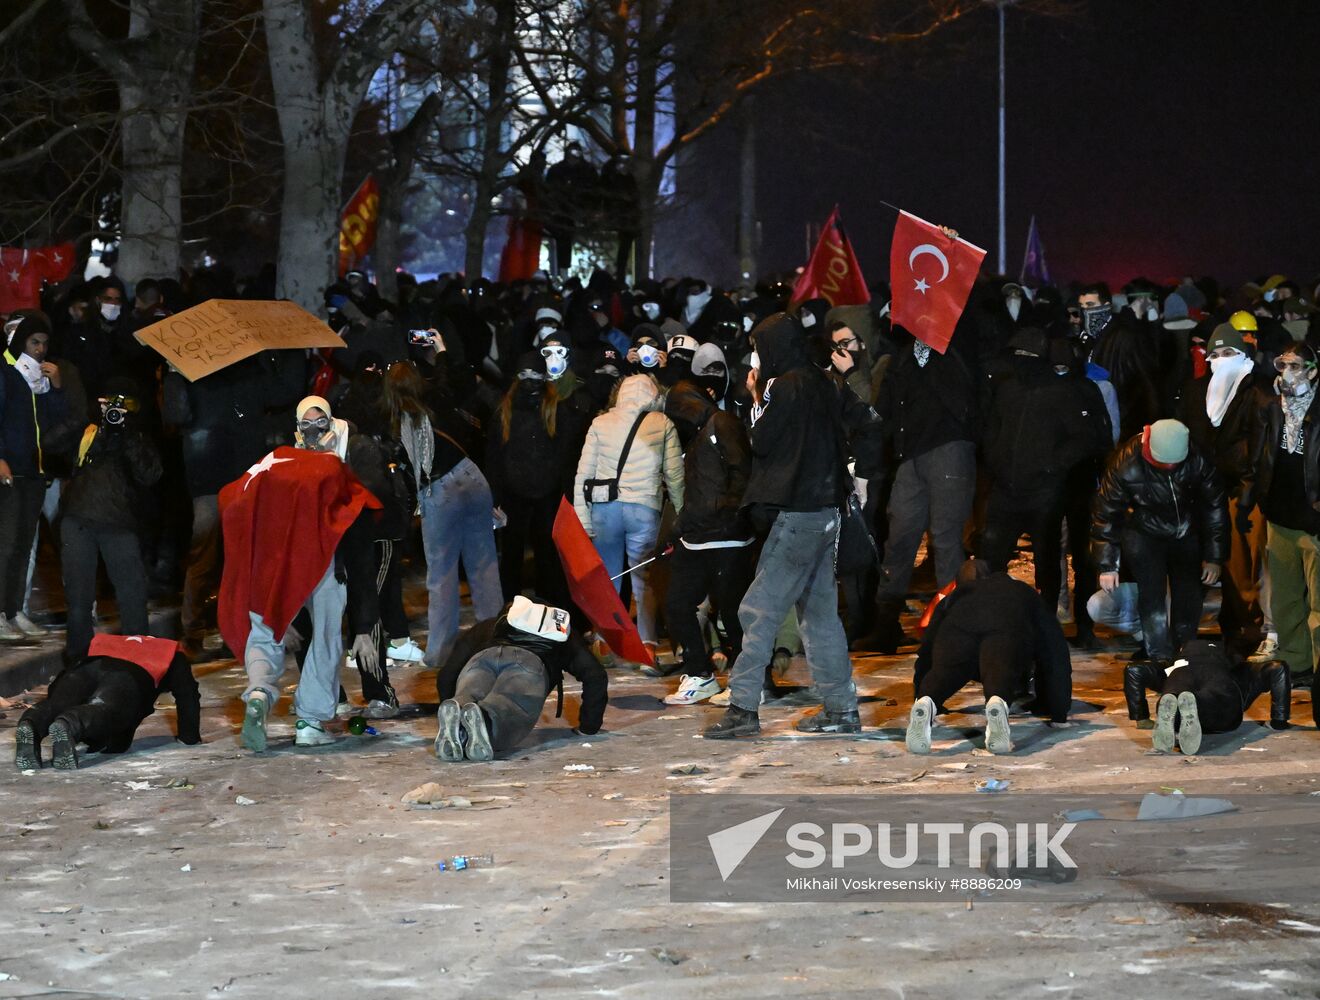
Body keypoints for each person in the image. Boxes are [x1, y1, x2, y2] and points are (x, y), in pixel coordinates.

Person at [705, 313, 882, 738]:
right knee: (819, 617)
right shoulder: (825, 382)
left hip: (797, 516)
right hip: (826, 514)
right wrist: (857, 477)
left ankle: (743, 709)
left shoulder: (781, 387)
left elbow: (761, 441)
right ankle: (841, 710)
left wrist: (755, 396)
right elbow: (869, 421)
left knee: (758, 611)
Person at [219, 398, 382, 751]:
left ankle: (260, 691)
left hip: (276, 563)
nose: (314, 432)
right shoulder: (331, 467)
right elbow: (358, 540)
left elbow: (236, 500)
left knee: (264, 634)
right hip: (322, 564)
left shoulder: (272, 464)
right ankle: (310, 721)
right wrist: (364, 626)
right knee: (325, 639)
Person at [853, 318, 980, 654]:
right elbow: (886, 411)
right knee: (900, 538)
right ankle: (886, 625)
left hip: (948, 449)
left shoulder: (957, 352)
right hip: (911, 455)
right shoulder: (903, 359)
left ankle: (954, 628)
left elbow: (967, 396)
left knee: (946, 540)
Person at [978, 327, 1111, 605]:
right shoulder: (1008, 390)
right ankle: (992, 610)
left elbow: (1085, 438)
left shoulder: (1062, 392)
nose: (1018, 360)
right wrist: (997, 461)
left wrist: (1050, 465)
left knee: (1046, 560)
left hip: (1044, 492)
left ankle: (1046, 617)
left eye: (1024, 355)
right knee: (992, 556)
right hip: (1006, 488)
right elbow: (991, 431)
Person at [1092, 418, 1228, 664]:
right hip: (1143, 532)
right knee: (1152, 594)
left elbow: (1215, 507)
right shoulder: (1125, 463)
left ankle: (1184, 654)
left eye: (1175, 464)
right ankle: (1158, 657)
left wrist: (1214, 556)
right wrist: (1107, 564)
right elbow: (1106, 514)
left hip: (1187, 530)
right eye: (1163, 463)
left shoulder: (1198, 458)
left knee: (1188, 594)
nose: (1169, 468)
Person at [905, 559, 1072, 755]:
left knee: (945, 672)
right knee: (999, 673)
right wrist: (1059, 712)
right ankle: (997, 702)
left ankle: (927, 702)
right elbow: (1054, 651)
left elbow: (927, 649)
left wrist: (920, 691)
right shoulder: (1021, 591)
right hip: (1004, 630)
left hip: (957, 630)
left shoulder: (954, 596)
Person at [574, 373, 685, 656]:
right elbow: (674, 475)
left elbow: (583, 475)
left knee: (608, 578)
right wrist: (683, 513)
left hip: (603, 508)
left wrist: (583, 520)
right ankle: (647, 646)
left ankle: (604, 641)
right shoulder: (663, 423)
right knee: (645, 579)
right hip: (643, 508)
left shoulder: (600, 423)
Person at [660, 381, 753, 703]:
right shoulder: (697, 436)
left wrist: (731, 514)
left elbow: (741, 471)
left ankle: (748, 680)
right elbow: (697, 493)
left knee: (733, 612)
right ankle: (700, 674)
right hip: (699, 537)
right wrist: (678, 530)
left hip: (727, 538)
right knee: (677, 604)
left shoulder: (722, 423)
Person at [59, 377, 163, 663]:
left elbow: (150, 474)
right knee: (79, 599)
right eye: (110, 403)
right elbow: (51, 443)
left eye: (122, 405)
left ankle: (137, 659)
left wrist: (126, 433)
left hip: (118, 522)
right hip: (79, 517)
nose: (116, 411)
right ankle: (79, 660)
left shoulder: (136, 434)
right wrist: (91, 417)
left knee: (131, 593)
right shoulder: (87, 430)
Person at [1238, 342, 1320, 700]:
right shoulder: (1271, 407)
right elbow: (1258, 457)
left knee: (1318, 605)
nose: (1288, 373)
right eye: (1283, 364)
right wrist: (1247, 502)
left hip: (1313, 521)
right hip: (1280, 518)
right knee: (1286, 600)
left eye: (1296, 365)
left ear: (1313, 371)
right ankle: (1297, 661)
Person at [1179, 322, 1267, 650]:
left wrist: (1246, 486)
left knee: (1244, 568)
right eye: (1214, 354)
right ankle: (1203, 632)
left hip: (1240, 492)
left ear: (1243, 356)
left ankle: (1247, 631)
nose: (1220, 360)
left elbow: (1256, 445)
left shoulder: (1255, 392)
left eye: (1228, 353)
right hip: (1204, 492)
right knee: (1209, 564)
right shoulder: (1197, 390)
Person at [434, 597, 607, 761]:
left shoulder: (488, 626)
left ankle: (459, 709)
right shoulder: (558, 631)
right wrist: (588, 727)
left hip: (481, 659)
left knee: (470, 691)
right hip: (527, 664)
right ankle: (485, 721)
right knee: (507, 707)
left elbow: (447, 674)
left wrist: (448, 701)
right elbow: (595, 675)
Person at [14, 635, 200, 770]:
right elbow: (188, 696)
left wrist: (55, 702)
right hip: (128, 676)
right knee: (104, 708)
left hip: (84, 667)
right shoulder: (170, 652)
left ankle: (32, 723)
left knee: (58, 704)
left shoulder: (106, 640)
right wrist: (189, 737)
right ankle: (70, 724)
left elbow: (61, 681)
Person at [0, 315, 69, 641]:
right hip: (11, 470)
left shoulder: (39, 379)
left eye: (44, 343)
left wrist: (55, 388)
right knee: (7, 543)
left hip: (36, 470)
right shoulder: (6, 373)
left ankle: (13, 611)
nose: (40, 350)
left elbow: (54, 420)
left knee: (24, 546)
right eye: (34, 342)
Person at [486, 353, 573, 607]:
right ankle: (509, 606)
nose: (530, 382)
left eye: (535, 376)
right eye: (525, 376)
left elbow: (565, 453)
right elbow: (494, 455)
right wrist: (495, 496)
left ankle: (549, 605)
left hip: (547, 493)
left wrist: (564, 492)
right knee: (512, 553)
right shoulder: (505, 411)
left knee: (547, 553)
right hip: (515, 493)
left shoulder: (556, 409)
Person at [1123, 639, 1289, 754]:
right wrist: (1278, 721)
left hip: (1180, 672)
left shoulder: (1172, 663)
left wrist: (1142, 717)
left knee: (1174, 697)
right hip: (1220, 673)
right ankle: (1195, 705)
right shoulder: (1239, 665)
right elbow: (1277, 668)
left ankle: (1173, 711)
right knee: (1214, 701)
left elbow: (1134, 670)